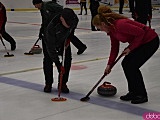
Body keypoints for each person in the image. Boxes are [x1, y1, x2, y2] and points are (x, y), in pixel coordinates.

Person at [92, 6, 159, 104]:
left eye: (99, 28)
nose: (100, 30)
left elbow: (141, 33)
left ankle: (141, 94)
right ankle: (133, 92)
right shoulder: (112, 31)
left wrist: (130, 48)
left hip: (150, 41)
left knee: (132, 66)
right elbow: (114, 48)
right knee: (126, 64)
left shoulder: (120, 24)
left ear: (103, 24)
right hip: (140, 43)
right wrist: (109, 65)